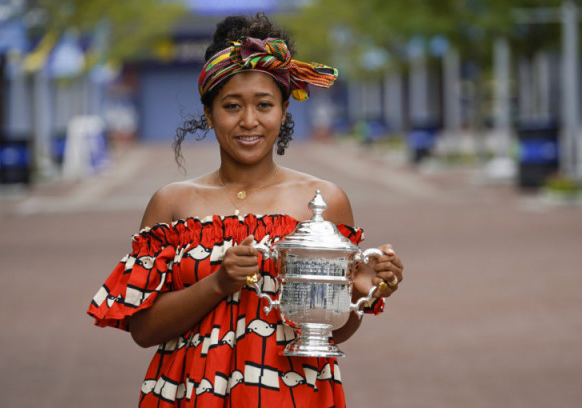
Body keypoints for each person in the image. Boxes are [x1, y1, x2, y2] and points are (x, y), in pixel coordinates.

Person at [87, 13, 404, 407]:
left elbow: (329, 334)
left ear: (284, 110)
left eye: (264, 105)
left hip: (292, 396)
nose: (249, 121)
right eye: (232, 105)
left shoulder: (323, 201)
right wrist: (218, 283)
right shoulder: (171, 204)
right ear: (209, 113)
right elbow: (144, 330)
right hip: (191, 395)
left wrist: (360, 291)